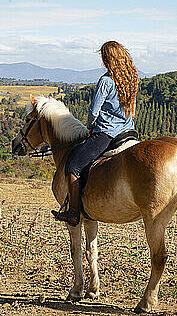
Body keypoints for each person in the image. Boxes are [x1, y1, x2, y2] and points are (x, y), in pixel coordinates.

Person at [53, 41, 139, 226]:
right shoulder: (131, 79)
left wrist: (90, 127)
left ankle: (73, 213)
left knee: (73, 166)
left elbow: (94, 111)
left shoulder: (106, 81)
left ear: (106, 59)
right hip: (129, 132)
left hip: (106, 134)